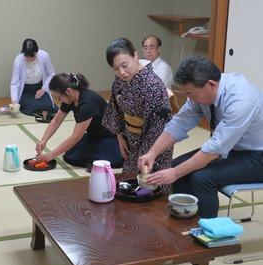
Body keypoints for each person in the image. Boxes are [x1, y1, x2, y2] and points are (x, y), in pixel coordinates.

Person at [138, 55, 263, 218]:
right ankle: (184, 222)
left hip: (256, 155)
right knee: (177, 166)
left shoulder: (241, 100)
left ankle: (205, 233)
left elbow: (215, 148)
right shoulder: (203, 91)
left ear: (210, 85)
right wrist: (152, 153)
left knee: (202, 178)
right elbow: (180, 122)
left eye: (191, 94)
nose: (190, 99)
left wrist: (175, 173)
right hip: (232, 149)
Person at [102, 38, 172, 175]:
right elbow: (116, 108)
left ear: (135, 56)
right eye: (116, 69)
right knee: (129, 181)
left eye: (124, 65)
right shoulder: (120, 79)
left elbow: (158, 127)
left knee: (150, 182)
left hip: (154, 142)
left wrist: (148, 153)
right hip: (130, 138)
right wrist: (120, 136)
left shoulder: (152, 85)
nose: (121, 72)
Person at [36, 73, 124, 169]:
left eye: (59, 97)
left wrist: (50, 156)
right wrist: (44, 140)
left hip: (110, 137)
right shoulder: (70, 98)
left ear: (68, 91)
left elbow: (76, 137)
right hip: (94, 135)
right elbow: (56, 120)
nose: (59, 100)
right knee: (71, 156)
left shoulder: (88, 103)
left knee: (102, 160)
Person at [10, 38, 57, 116]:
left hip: (40, 88)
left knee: (49, 105)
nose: (30, 59)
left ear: (37, 51)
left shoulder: (44, 56)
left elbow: (51, 74)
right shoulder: (18, 60)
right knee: (32, 106)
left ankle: (42, 110)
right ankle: (40, 110)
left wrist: (43, 89)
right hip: (25, 90)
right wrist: (14, 100)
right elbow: (15, 82)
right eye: (27, 56)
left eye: (32, 56)